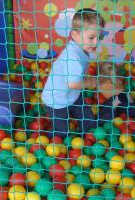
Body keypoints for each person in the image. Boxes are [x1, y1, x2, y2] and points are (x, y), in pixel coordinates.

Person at [41, 8, 105, 138]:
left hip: (73, 96)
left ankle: (90, 136)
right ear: (75, 35)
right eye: (91, 37)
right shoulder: (73, 57)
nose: (96, 42)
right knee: (62, 132)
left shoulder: (81, 48)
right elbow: (73, 83)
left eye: (99, 37)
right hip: (57, 100)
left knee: (87, 117)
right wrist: (91, 81)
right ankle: (51, 139)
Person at [97, 62, 135, 128]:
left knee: (103, 117)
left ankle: (117, 102)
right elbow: (126, 95)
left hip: (115, 103)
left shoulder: (102, 84)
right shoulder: (116, 83)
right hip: (121, 101)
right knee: (133, 111)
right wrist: (132, 103)